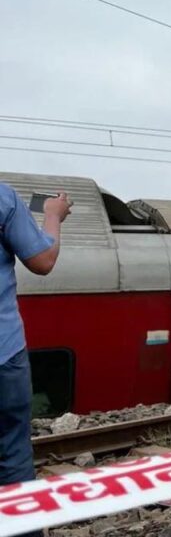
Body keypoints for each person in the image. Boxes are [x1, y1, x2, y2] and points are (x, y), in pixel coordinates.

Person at [1, 184, 71, 537]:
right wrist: (53, 216)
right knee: (12, 458)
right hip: (3, 356)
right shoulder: (3, 199)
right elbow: (43, 260)